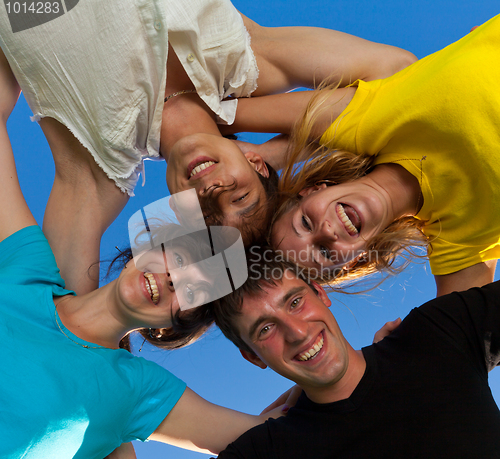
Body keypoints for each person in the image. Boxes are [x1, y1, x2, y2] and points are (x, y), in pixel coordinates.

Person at [0, 57, 285, 459]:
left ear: (170, 326)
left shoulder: (133, 390)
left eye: (192, 293)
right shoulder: (29, 269)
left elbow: (277, 443)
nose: (174, 278)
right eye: (181, 256)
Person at [0, 0, 416, 294]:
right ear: (256, 163)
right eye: (240, 196)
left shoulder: (95, 170)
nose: (212, 192)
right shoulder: (242, 60)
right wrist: (253, 136)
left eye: (204, 214)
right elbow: (400, 79)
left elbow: (61, 312)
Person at [58, 248, 500, 459]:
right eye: (264, 329)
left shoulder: (434, 336)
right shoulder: (273, 450)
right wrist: (69, 446)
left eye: (294, 302)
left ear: (321, 293)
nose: (296, 331)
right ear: (253, 357)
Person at [226, 14, 500, 297]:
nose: (326, 233)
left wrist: (263, 156)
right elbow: (466, 334)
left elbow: (218, 114)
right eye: (324, 252)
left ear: (312, 191)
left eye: (305, 223)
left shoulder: (365, 120)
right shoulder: (459, 245)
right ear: (356, 260)